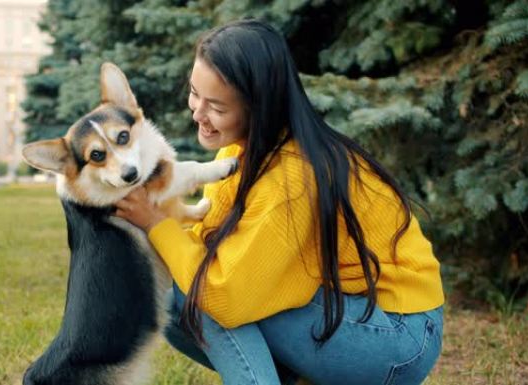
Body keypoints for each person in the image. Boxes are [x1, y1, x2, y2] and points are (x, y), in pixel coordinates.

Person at [114, 19, 444, 385]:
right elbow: (210, 242)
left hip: (399, 337)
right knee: (179, 290)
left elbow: (224, 295)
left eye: (217, 107)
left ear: (259, 106)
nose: (197, 113)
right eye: (194, 93)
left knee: (201, 295)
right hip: (361, 317)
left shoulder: (292, 178)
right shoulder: (244, 150)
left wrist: (157, 224)